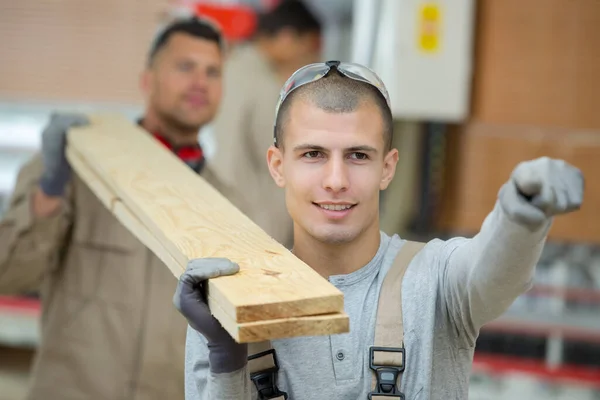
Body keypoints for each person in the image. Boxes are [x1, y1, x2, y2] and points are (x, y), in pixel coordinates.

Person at [173, 60, 585, 399]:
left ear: (387, 167)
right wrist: (227, 359)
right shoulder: (233, 305)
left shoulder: (437, 280)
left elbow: (496, 272)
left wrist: (522, 210)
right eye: (313, 154)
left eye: (358, 155)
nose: (336, 180)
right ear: (278, 166)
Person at [0, 17, 255, 400]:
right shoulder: (79, 169)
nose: (200, 82)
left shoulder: (229, 207)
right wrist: (51, 189)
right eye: (185, 67)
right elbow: (9, 274)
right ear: (147, 80)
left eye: (213, 72)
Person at [208, 0, 322, 248]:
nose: (312, 60)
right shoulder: (266, 87)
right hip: (256, 227)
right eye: (310, 49)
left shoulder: (229, 69)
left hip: (221, 213)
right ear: (286, 37)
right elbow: (287, 161)